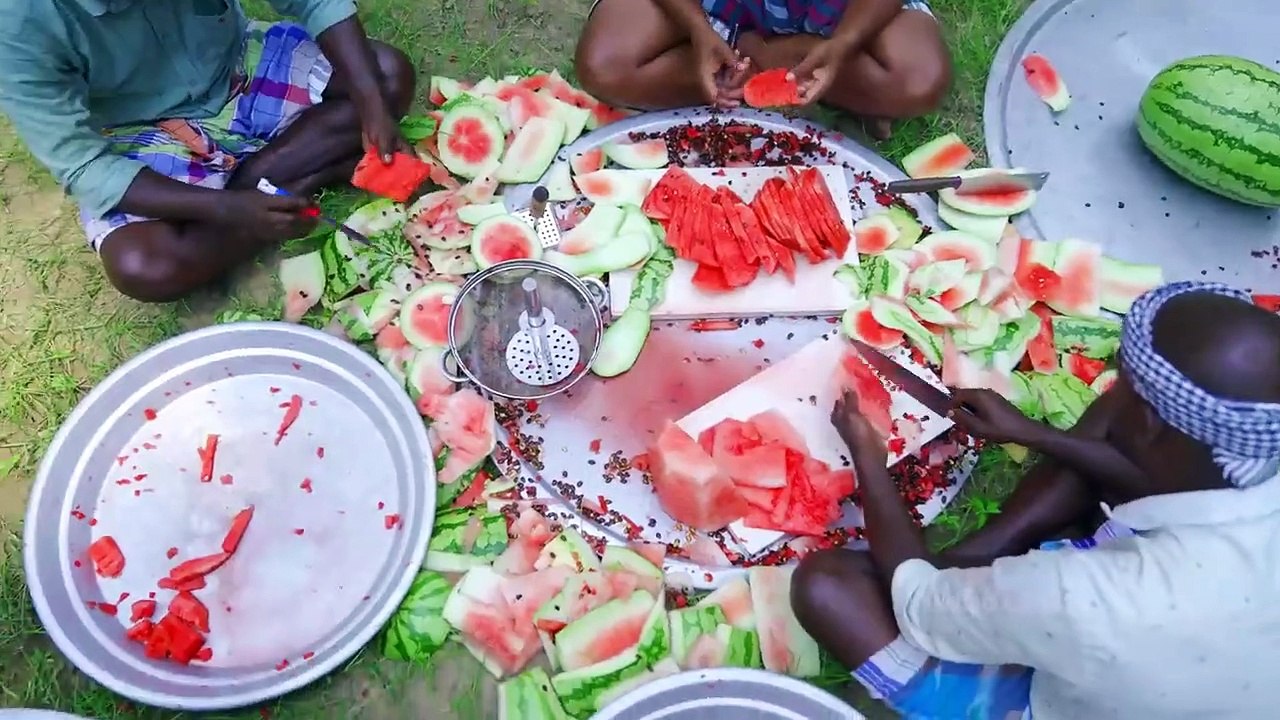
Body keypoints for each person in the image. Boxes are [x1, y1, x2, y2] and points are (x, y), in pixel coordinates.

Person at [793, 281, 1280, 718]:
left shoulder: (1086, 595)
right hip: (1188, 654)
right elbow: (1157, 462)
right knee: (1114, 417)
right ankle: (975, 563)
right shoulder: (1252, 447)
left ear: (1153, 428)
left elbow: (918, 605)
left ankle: (966, 580)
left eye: (1126, 382)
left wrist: (868, 456)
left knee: (825, 586)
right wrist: (1031, 433)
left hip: (1056, 691)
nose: (1117, 386)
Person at [0, 1, 416, 302]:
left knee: (385, 77)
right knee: (143, 267)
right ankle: (307, 173)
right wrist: (227, 209)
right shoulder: (15, 25)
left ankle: (263, 184)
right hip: (141, 129)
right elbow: (85, 165)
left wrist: (371, 105)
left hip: (239, 67)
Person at [575, 0, 950, 136]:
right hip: (719, 9)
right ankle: (752, 69)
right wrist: (697, 29)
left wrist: (843, 45)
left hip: (841, 16)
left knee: (917, 80)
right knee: (607, 65)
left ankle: (794, 63)